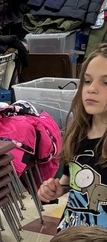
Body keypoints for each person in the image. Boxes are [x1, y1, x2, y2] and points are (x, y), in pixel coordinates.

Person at [38, 44, 107, 228]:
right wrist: (56, 189)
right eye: (87, 81)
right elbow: (70, 181)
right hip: (71, 234)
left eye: (105, 83)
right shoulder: (77, 134)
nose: (92, 89)